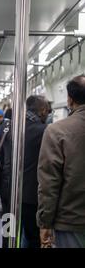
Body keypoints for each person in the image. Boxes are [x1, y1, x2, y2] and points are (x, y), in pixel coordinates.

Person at [37, 75, 85, 248]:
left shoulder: (57, 131)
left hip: (71, 220)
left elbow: (49, 183)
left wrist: (45, 222)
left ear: (70, 100)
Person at [0, 95, 50, 248]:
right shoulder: (44, 131)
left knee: (8, 233)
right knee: (33, 237)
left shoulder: (8, 127)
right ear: (42, 110)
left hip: (8, 190)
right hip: (31, 196)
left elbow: (2, 158)